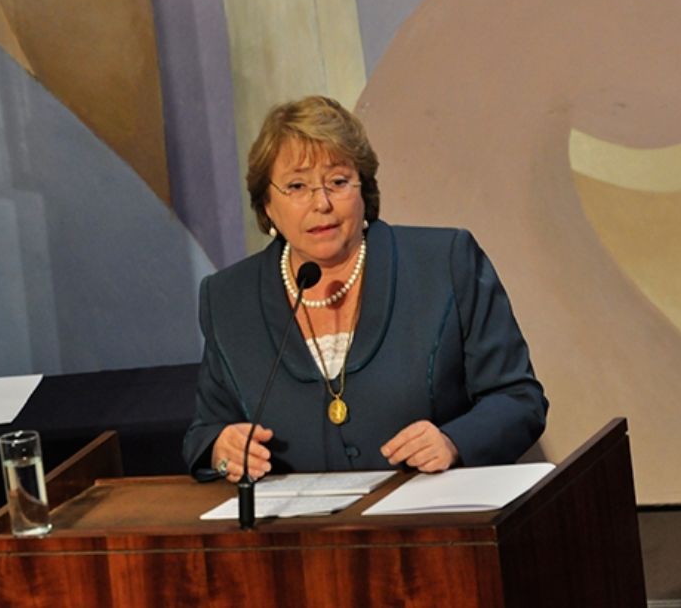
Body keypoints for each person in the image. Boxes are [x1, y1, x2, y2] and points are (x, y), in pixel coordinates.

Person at [183, 96, 547, 482]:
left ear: (363, 189)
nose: (321, 203)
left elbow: (518, 400)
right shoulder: (228, 299)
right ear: (268, 205)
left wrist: (454, 441)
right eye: (297, 186)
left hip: (438, 521)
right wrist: (221, 447)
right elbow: (205, 431)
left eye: (337, 182)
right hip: (297, 533)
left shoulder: (443, 264)